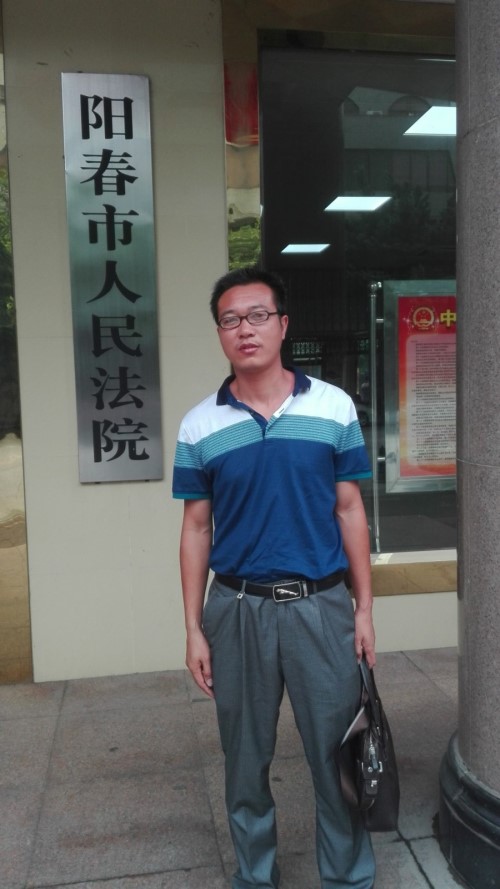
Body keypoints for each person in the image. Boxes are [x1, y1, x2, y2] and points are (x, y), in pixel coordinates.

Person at [172, 266, 376, 889]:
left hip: (322, 606)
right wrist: (193, 628)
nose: (245, 329)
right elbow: (196, 529)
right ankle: (255, 875)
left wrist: (364, 609)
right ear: (220, 333)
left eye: (258, 315)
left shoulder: (333, 406)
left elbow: (349, 510)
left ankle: (347, 876)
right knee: (244, 756)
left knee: (335, 751)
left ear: (283, 325)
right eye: (230, 320)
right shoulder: (200, 425)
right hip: (237, 610)